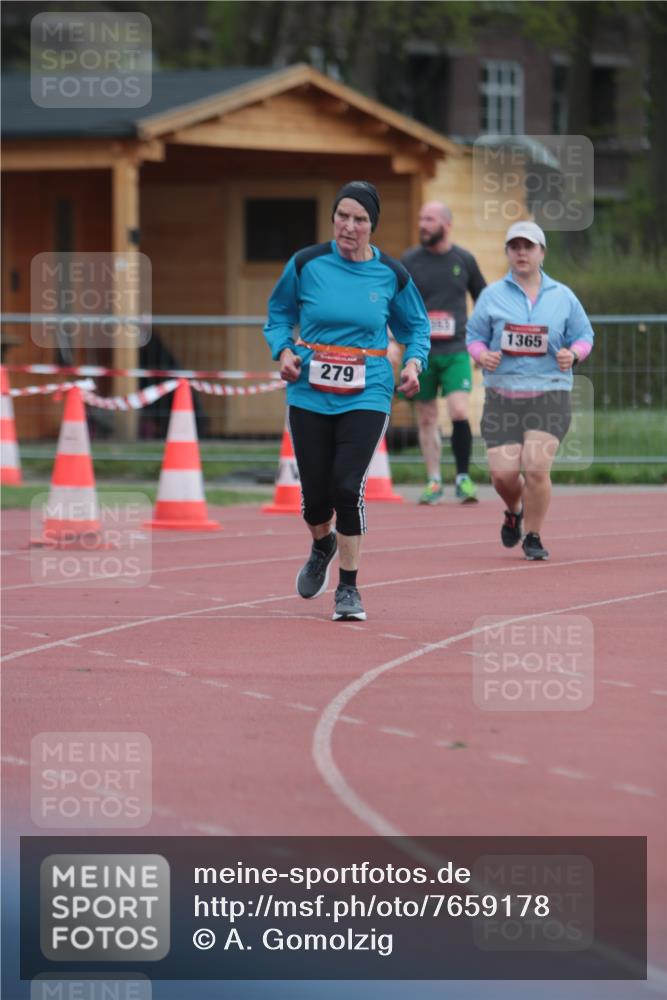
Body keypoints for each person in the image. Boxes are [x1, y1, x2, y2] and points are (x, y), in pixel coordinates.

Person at [264, 181, 431, 620]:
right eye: (343, 216)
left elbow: (417, 327)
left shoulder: (391, 274)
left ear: (372, 226)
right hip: (310, 391)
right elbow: (279, 313)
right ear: (333, 219)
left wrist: (414, 364)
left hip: (368, 390)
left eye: (359, 219)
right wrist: (283, 350)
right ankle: (323, 545)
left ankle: (349, 589)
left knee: (346, 485)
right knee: (315, 496)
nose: (349, 226)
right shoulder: (306, 264)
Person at [466, 220, 594, 560]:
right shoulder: (492, 295)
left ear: (542, 253)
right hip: (502, 395)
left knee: (536, 467)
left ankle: (534, 535)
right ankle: (514, 510)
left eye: (529, 246)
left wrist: (574, 353)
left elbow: (585, 335)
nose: (521, 252)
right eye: (515, 246)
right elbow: (474, 336)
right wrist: (482, 355)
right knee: (503, 476)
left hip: (549, 391)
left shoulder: (563, 296)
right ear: (508, 252)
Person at [396, 201, 486, 504]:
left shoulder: (464, 259)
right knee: (427, 417)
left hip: (457, 348)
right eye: (421, 218)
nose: (423, 224)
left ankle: (463, 478)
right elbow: (392, 301)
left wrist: (481, 342)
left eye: (429, 219)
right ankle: (434, 480)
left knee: (459, 410)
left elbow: (484, 300)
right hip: (421, 353)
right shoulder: (409, 261)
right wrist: (394, 341)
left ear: (446, 224)